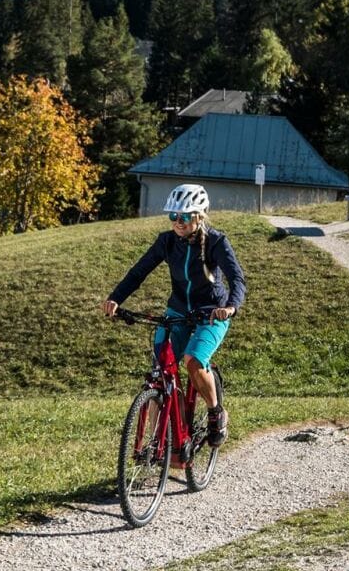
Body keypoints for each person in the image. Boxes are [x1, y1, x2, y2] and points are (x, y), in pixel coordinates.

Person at [101, 184, 246, 446]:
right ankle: (162, 442)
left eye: (185, 216)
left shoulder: (216, 242)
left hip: (211, 313)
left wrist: (231, 307)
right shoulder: (166, 242)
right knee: (161, 372)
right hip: (178, 311)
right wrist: (115, 298)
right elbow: (138, 273)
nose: (178, 222)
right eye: (173, 216)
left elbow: (237, 280)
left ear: (200, 216)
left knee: (192, 360)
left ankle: (216, 412)